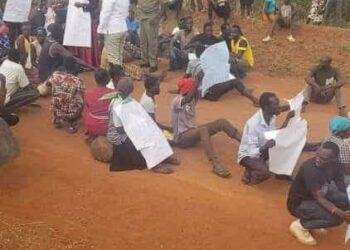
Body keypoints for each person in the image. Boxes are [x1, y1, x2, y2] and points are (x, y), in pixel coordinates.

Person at [171, 75, 242, 178]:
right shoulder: (177, 100)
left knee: (221, 122)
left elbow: (195, 94)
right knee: (203, 130)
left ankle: (245, 142)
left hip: (192, 132)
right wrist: (196, 81)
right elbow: (189, 97)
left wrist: (203, 77)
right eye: (194, 87)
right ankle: (215, 164)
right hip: (182, 138)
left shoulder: (192, 99)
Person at [107, 77, 178, 173]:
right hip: (118, 136)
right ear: (130, 90)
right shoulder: (117, 104)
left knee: (155, 131)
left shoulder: (125, 99)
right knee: (146, 138)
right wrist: (136, 130)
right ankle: (155, 165)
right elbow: (119, 130)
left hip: (126, 130)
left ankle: (163, 157)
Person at [287, 142, 350, 246]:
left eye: (323, 158)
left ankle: (316, 218)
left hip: (317, 197)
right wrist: (341, 213)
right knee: (336, 219)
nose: (318, 159)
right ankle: (300, 225)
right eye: (317, 155)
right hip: (300, 203)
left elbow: (341, 186)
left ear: (334, 159)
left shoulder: (336, 165)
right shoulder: (310, 169)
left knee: (345, 199)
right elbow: (319, 197)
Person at [238, 92, 295, 185]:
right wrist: (264, 147)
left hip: (264, 148)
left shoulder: (271, 116)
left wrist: (288, 119)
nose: (278, 106)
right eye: (275, 104)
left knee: (288, 145)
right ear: (266, 107)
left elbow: (277, 135)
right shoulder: (253, 124)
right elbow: (251, 151)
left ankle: (280, 173)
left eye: (278, 103)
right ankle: (251, 174)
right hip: (248, 155)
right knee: (264, 173)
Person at [185, 43, 258, 104]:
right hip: (210, 92)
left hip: (207, 92)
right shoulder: (209, 63)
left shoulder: (192, 63)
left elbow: (186, 78)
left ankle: (243, 91)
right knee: (233, 80)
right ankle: (250, 97)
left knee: (229, 78)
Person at [48, 56, 85, 133]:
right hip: (69, 111)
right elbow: (82, 96)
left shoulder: (55, 75)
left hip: (56, 107)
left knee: (57, 97)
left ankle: (57, 120)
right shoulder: (78, 81)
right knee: (81, 100)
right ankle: (71, 124)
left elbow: (48, 85)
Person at [83, 68, 114, 142]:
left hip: (92, 126)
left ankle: (91, 134)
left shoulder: (88, 93)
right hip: (108, 128)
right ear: (108, 79)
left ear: (95, 79)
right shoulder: (113, 93)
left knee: (86, 109)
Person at [67, 0, 100, 67]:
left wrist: (81, 5)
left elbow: (94, 6)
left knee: (88, 43)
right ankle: (81, 63)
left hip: (88, 21)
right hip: (78, 20)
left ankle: (88, 63)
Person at [98, 0, 129, 67]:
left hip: (113, 30)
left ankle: (117, 76)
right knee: (119, 56)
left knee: (113, 59)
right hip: (123, 28)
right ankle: (120, 74)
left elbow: (105, 14)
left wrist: (101, 29)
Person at [323, 116, 350, 185]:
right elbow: (347, 170)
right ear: (342, 133)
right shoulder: (343, 145)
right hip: (336, 178)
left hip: (325, 172)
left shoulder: (327, 138)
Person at [138, 0, 163, 72]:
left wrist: (157, 17)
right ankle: (145, 61)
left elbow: (164, 4)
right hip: (142, 16)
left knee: (152, 41)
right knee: (143, 40)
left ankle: (153, 63)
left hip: (152, 17)